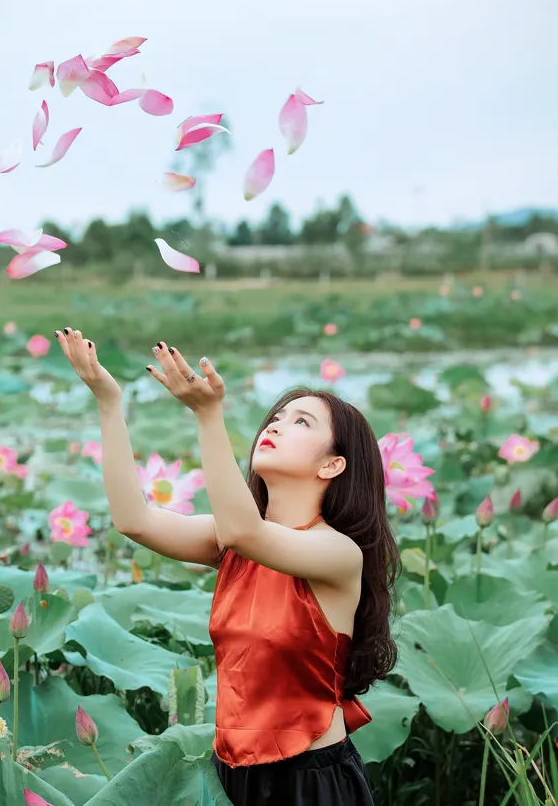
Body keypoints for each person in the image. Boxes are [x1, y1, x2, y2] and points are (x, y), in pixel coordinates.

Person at [56, 327, 398, 806]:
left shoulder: (338, 553)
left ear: (332, 466)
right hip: (231, 776)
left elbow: (246, 532)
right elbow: (134, 520)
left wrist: (207, 413)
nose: (275, 427)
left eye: (301, 423)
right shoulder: (232, 540)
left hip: (311, 781)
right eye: (276, 418)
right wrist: (109, 402)